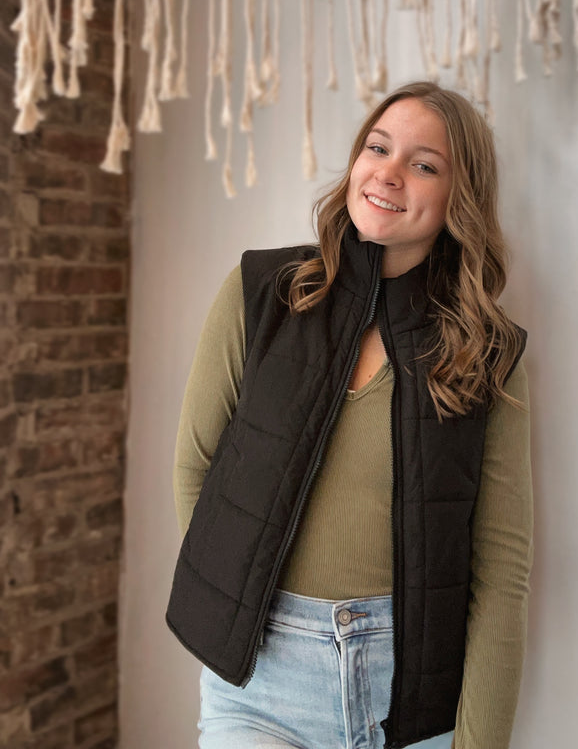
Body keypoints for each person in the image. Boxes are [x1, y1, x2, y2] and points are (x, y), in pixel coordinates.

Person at [167, 81, 533, 749]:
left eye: (424, 164)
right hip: (260, 685)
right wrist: (235, 602)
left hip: (411, 693)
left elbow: (501, 571)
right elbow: (197, 463)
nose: (389, 172)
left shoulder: (487, 353)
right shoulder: (263, 294)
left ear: (460, 197)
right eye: (378, 147)